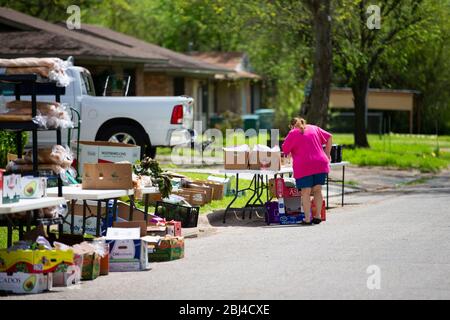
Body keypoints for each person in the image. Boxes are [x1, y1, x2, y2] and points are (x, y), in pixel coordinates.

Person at [282, 117, 332, 225]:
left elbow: (285, 150)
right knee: (318, 190)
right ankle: (317, 216)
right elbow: (329, 137)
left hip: (304, 165)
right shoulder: (314, 128)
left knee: (306, 192)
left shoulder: (292, 132)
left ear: (291, 126)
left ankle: (307, 219)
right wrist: (327, 153)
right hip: (320, 163)